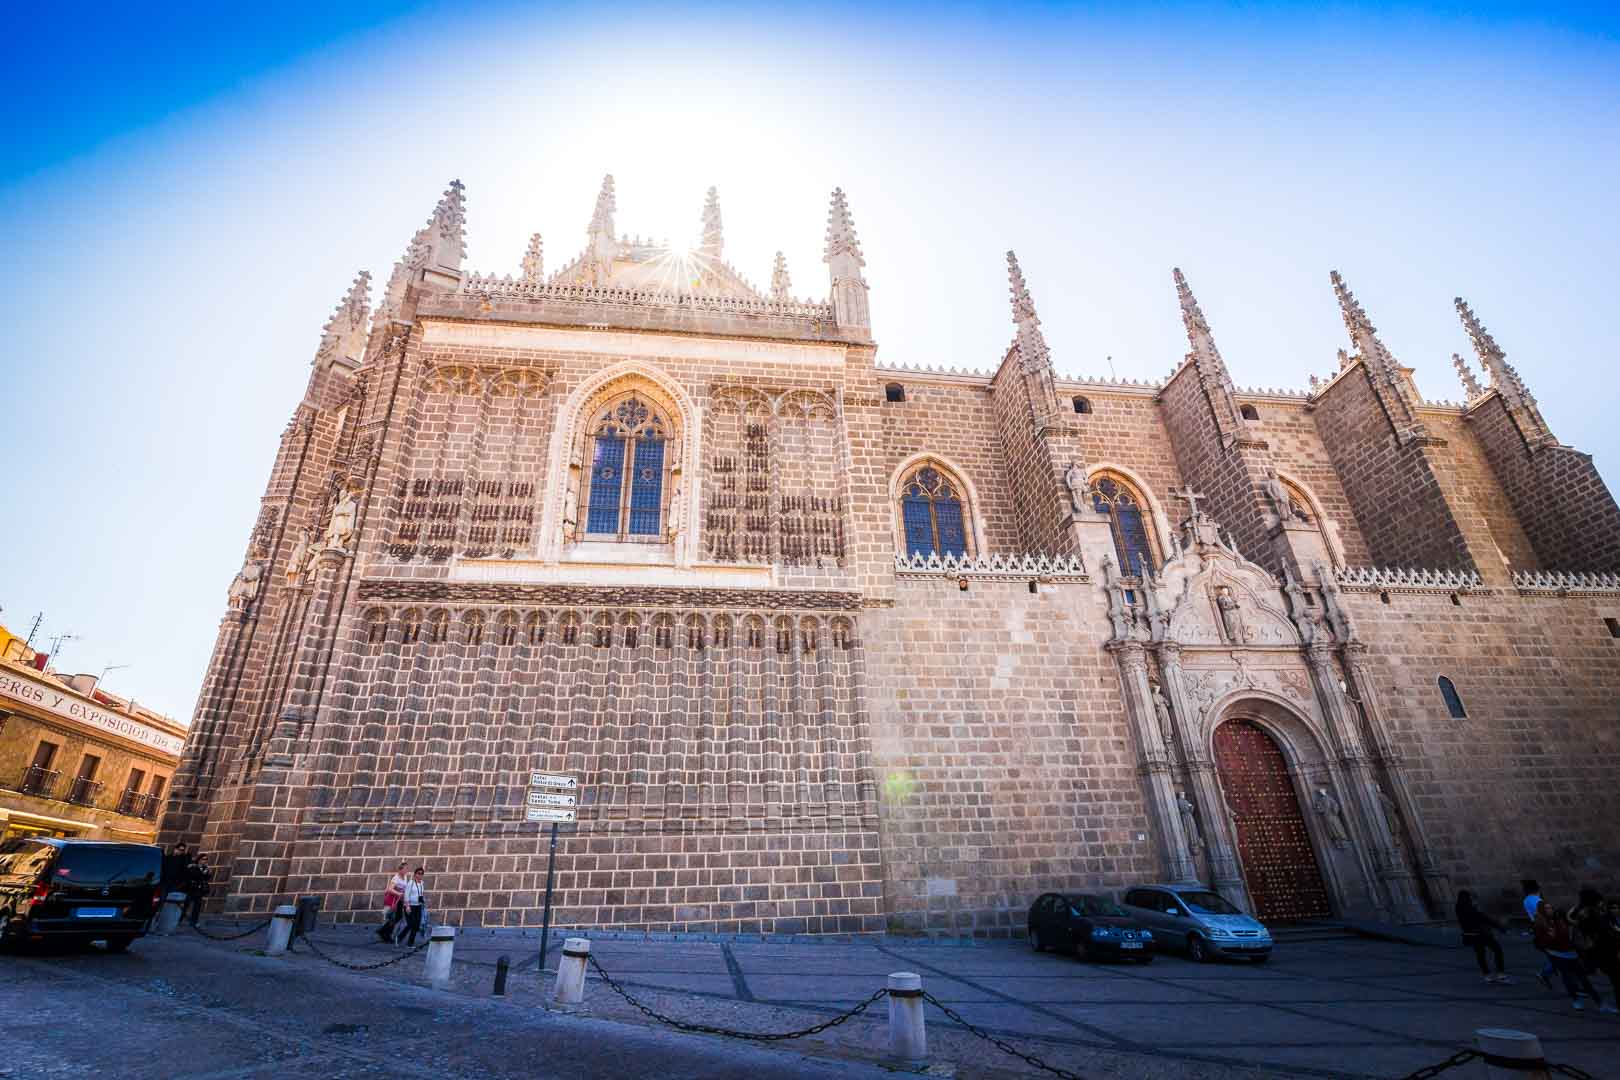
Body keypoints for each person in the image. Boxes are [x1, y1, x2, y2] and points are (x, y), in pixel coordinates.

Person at [1535, 902, 1611, 1012]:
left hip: (1570, 953)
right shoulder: (1541, 924)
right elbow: (1543, 941)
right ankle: (1577, 1000)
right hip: (1557, 954)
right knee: (1568, 979)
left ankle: (1600, 1003)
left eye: (1551, 907)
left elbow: (1571, 933)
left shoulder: (1559, 920)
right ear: (1542, 910)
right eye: (1547, 908)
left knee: (1583, 979)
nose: (1550, 910)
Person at [1572, 888, 1620, 1002]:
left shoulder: (1586, 916)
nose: (1602, 903)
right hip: (1610, 956)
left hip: (1604, 957)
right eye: (1600, 901)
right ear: (1595, 902)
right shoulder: (1594, 918)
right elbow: (1607, 937)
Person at [1456, 891, 1511, 984]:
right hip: (1481, 934)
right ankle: (1501, 974)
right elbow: (1484, 918)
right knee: (1497, 950)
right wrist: (1501, 927)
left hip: (1471, 935)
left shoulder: (1459, 908)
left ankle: (1487, 975)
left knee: (1480, 954)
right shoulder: (1470, 909)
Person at [1523, 879, 1557, 989]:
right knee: (1558, 956)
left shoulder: (1527, 900)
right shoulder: (1537, 900)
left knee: (1555, 955)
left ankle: (1547, 973)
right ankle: (1545, 973)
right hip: (1545, 928)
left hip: (1538, 928)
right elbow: (1545, 914)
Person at [375, 862, 410, 944]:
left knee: (398, 917)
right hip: (393, 900)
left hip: (399, 900)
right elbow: (390, 889)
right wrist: (399, 893)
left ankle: (383, 931)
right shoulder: (396, 878)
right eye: (405, 869)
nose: (407, 870)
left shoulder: (405, 877)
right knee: (393, 917)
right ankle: (386, 934)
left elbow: (404, 888)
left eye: (407, 869)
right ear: (400, 869)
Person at [398, 867, 427, 947]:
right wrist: (407, 906)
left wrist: (423, 900)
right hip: (410, 906)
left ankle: (410, 943)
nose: (420, 875)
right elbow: (406, 895)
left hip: (418, 906)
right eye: (418, 873)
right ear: (415, 874)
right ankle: (399, 937)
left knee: (416, 925)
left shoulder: (421, 883)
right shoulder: (411, 883)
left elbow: (421, 894)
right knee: (411, 924)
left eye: (422, 874)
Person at [183, 853, 212, 927]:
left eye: (206, 859)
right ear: (199, 860)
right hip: (192, 888)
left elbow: (207, 878)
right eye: (203, 859)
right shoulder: (193, 866)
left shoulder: (206, 868)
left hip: (199, 890)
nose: (205, 861)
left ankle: (194, 921)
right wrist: (203, 873)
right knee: (186, 904)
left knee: (197, 906)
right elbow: (194, 876)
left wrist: (208, 873)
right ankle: (179, 918)